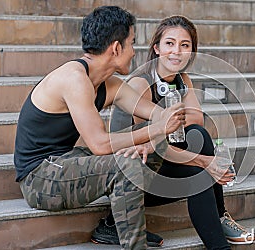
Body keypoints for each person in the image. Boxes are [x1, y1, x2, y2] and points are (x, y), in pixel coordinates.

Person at [13, 6, 187, 249]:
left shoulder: (110, 84)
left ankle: (114, 227)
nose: (134, 52)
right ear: (116, 48)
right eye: (132, 43)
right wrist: (156, 130)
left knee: (151, 143)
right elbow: (99, 144)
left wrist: (163, 124)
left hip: (68, 162)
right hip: (40, 178)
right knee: (126, 163)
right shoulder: (74, 79)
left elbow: (157, 115)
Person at [93, 15, 254, 249]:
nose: (176, 51)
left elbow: (196, 119)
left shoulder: (181, 79)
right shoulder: (141, 83)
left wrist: (174, 130)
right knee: (198, 173)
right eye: (170, 43)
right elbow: (151, 146)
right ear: (157, 48)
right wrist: (202, 161)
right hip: (129, 178)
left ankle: (220, 218)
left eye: (184, 45)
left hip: (157, 159)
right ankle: (114, 221)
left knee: (200, 135)